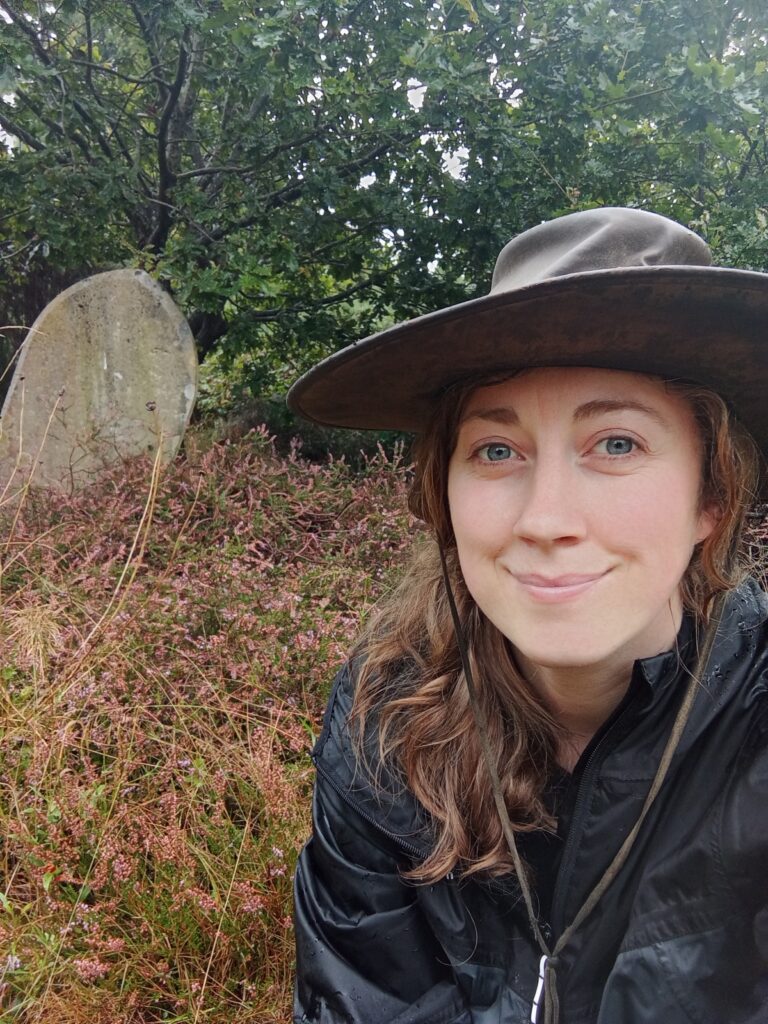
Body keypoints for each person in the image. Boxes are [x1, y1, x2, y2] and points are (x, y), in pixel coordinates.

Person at [286, 207, 768, 1024]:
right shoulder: (382, 721)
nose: (545, 519)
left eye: (616, 444)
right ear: (445, 494)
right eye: (496, 451)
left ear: (710, 500)